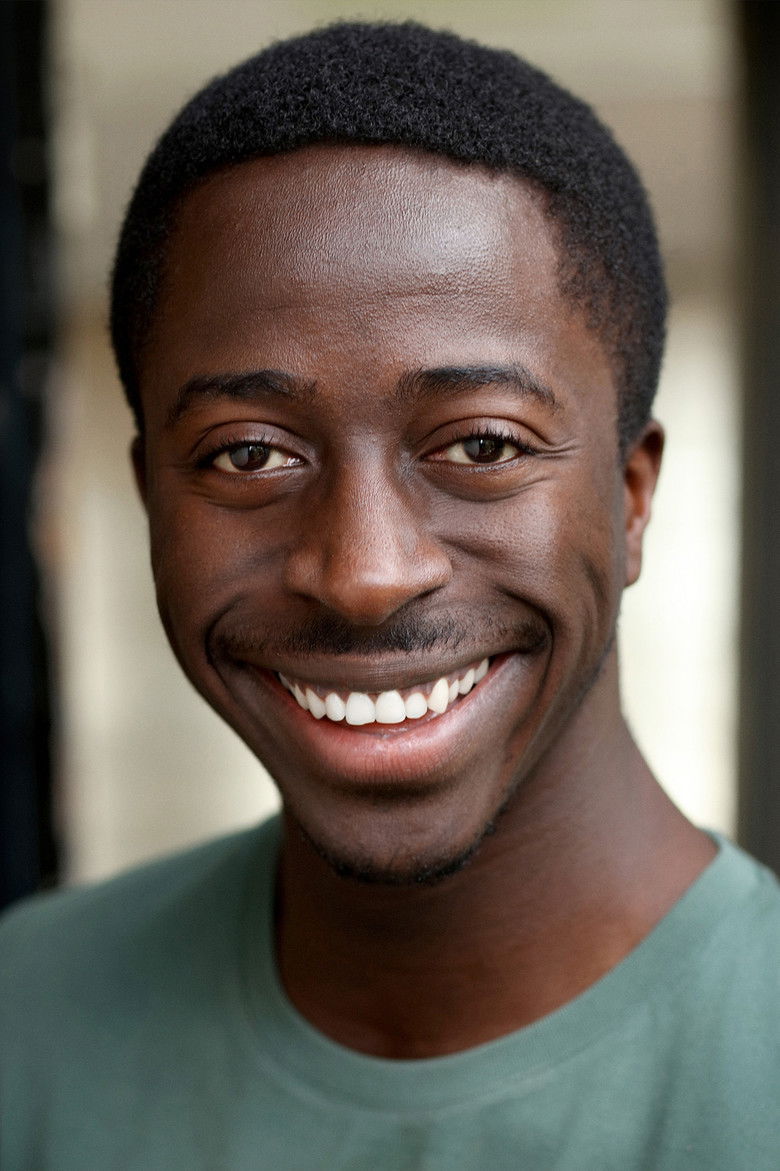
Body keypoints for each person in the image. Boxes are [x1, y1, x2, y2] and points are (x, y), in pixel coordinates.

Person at [1, 20, 779, 1170]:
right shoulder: (26, 1013)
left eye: (482, 444)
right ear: (151, 496)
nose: (364, 574)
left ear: (632, 496)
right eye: (250, 454)